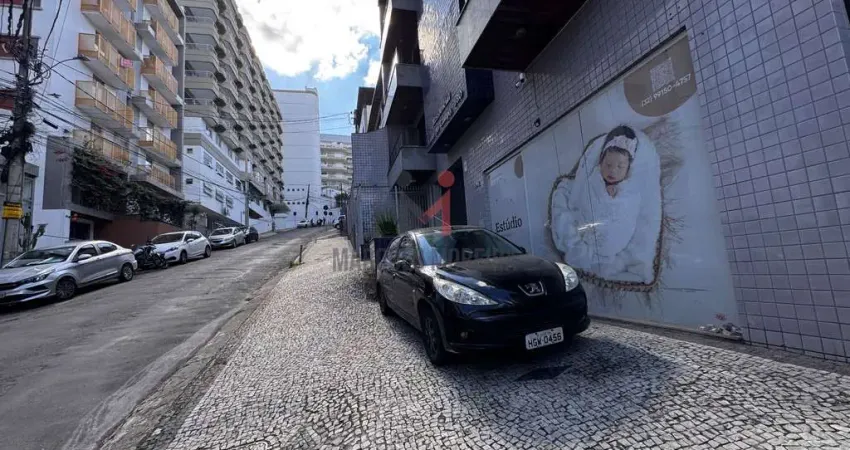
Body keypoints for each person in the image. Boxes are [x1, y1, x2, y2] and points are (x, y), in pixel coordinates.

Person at [549, 125, 662, 284]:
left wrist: (616, 199)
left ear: (628, 169)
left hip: (613, 242)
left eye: (620, 167)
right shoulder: (592, 179)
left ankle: (603, 252)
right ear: (600, 161)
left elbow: (631, 211)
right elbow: (581, 197)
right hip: (588, 232)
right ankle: (589, 249)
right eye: (608, 165)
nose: (613, 171)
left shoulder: (629, 190)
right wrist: (601, 194)